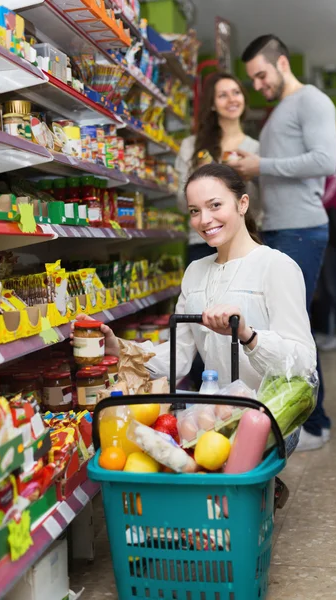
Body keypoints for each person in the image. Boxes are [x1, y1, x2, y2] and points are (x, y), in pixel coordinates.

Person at [71, 164, 317, 456]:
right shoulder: (195, 272)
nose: (205, 220)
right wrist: (118, 347)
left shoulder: (277, 267)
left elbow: (302, 364)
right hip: (210, 415)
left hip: (268, 418)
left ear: (242, 203)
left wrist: (248, 336)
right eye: (194, 211)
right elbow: (179, 357)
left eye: (215, 205)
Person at [230, 34, 336, 451]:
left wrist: (261, 164)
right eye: (252, 79)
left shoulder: (312, 100)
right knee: (284, 326)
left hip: (301, 229)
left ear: (282, 63)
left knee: (295, 329)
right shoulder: (280, 113)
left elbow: (325, 160)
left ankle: (317, 424)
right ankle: (301, 419)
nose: (257, 85)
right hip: (280, 230)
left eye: (260, 75)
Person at [175, 72, 261, 265]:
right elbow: (182, 204)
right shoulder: (191, 147)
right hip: (202, 241)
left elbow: (258, 207)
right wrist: (198, 180)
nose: (232, 99)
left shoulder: (255, 149)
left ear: (244, 99)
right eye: (223, 95)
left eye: (236, 92)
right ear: (212, 104)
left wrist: (244, 179)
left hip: (244, 243)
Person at [312, 174, 336, 351]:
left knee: (332, 284)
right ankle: (325, 332)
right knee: (322, 287)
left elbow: (324, 201)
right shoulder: (315, 176)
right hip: (319, 236)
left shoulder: (333, 176)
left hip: (332, 238)